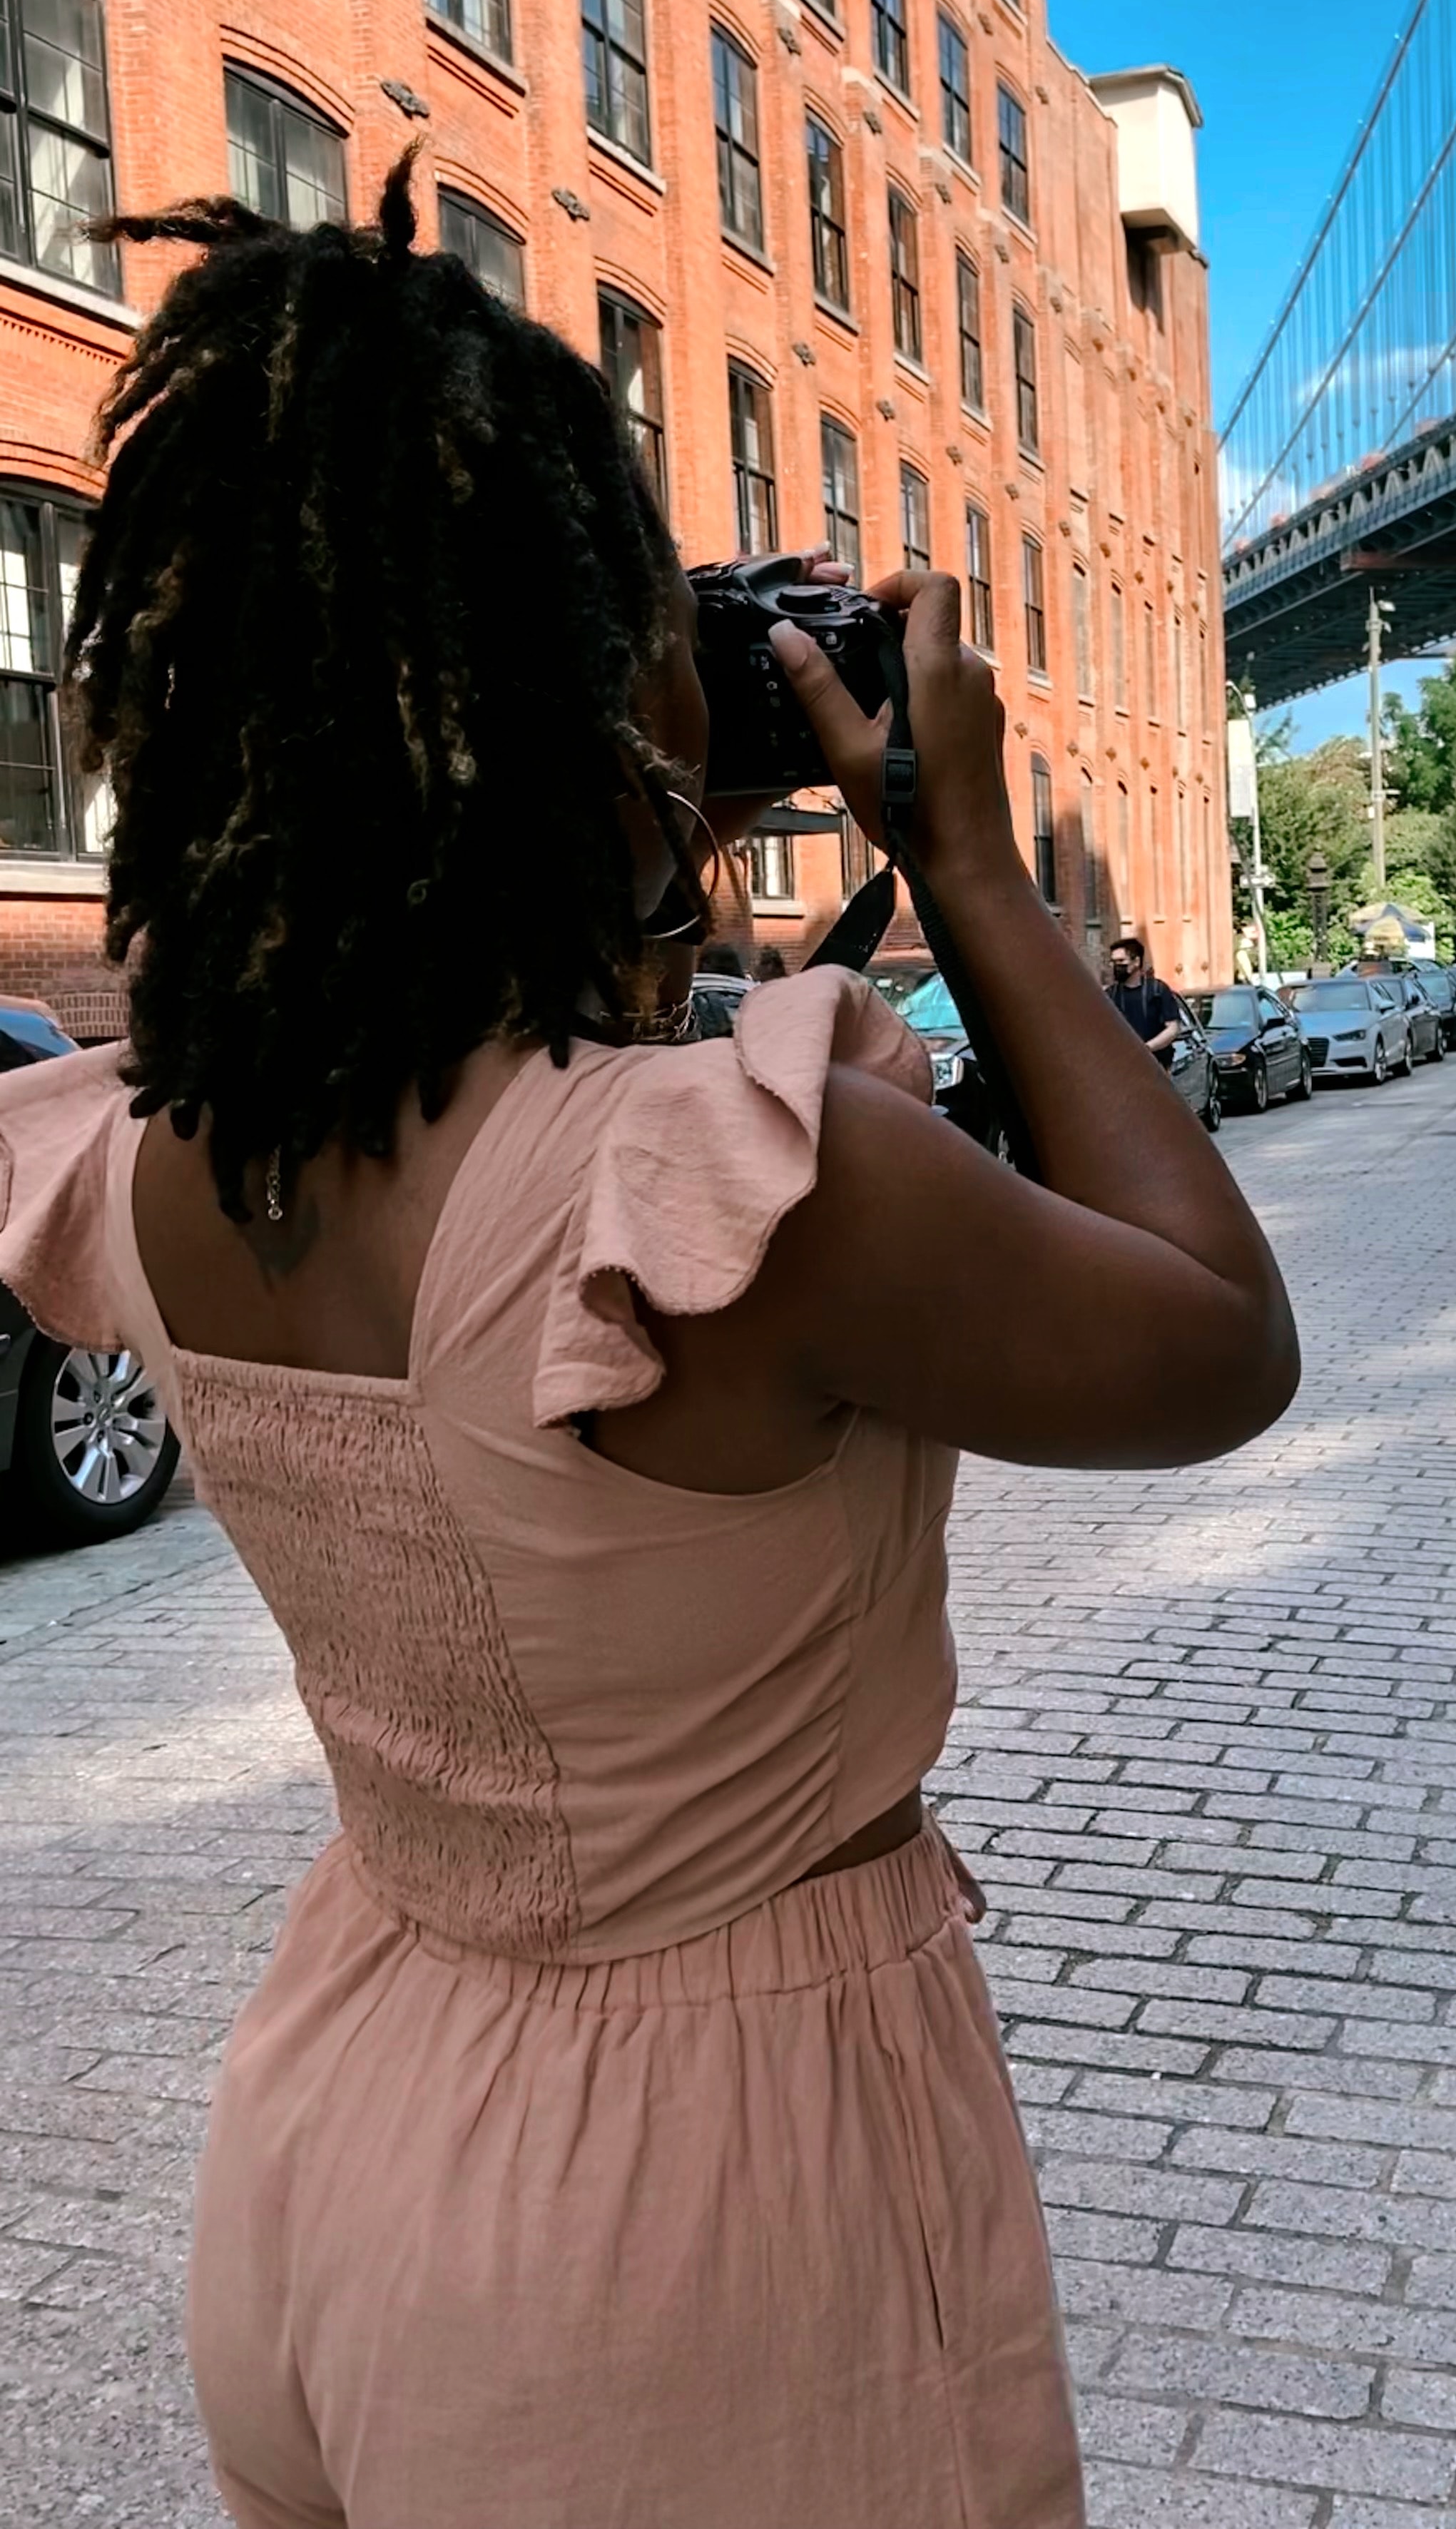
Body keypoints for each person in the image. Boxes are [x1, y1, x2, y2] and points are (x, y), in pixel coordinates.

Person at [1, 163, 1298, 2529]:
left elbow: (462, 1046)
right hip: (698, 2239)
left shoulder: (152, 1155)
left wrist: (559, 800)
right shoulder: (734, 1193)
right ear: (611, 693)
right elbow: (1218, 1339)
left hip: (337, 2137)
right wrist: (983, 874)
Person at [1106, 933, 1185, 1064]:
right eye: (1113, 962)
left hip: (1157, 1065)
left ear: (1136, 962)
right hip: (1121, 1066)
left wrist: (1146, 1049)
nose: (1116, 967)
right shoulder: (1110, 995)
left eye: (1121, 961)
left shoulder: (1157, 990)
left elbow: (1173, 1028)